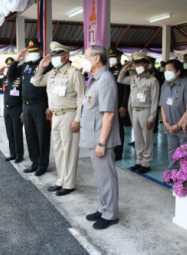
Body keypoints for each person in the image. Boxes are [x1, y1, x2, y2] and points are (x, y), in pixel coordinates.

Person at [34, 41, 85, 196]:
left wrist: (78, 119)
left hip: (69, 115)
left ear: (66, 56)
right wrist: (42, 66)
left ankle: (69, 184)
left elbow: (81, 98)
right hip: (55, 116)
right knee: (58, 150)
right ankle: (60, 180)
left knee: (69, 151)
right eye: (53, 55)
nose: (54, 58)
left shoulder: (74, 74)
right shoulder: (53, 73)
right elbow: (37, 82)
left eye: (57, 55)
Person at [80, 45, 120, 230]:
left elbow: (109, 114)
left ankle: (110, 214)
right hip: (94, 137)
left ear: (97, 58)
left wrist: (102, 142)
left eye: (86, 56)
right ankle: (103, 207)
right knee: (100, 176)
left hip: (101, 139)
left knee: (107, 177)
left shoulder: (105, 80)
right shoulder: (95, 79)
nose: (84, 59)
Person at [7, 39, 52, 176]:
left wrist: (50, 106)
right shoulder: (25, 66)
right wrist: (16, 60)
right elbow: (10, 75)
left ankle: (42, 164)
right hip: (26, 106)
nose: (32, 54)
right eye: (30, 52)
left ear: (39, 51)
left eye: (34, 51)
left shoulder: (47, 66)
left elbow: (51, 86)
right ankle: (35, 162)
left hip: (40, 105)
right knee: (30, 135)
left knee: (42, 135)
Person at [118, 52, 160, 174]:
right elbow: (120, 79)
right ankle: (139, 161)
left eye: (139, 63)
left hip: (146, 111)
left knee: (147, 138)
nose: (137, 65)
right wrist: (124, 68)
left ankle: (146, 163)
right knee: (137, 137)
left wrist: (152, 118)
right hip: (134, 111)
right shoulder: (133, 78)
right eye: (135, 63)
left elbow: (155, 101)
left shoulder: (153, 81)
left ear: (146, 65)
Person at [0, 57, 24, 163]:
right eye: (7, 67)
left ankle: (19, 155)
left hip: (17, 108)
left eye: (11, 67)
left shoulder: (20, 79)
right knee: (10, 132)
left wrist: (23, 111)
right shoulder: (4, 79)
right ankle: (12, 153)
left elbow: (24, 95)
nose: (9, 69)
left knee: (17, 132)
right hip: (7, 109)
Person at [159, 59, 187, 169]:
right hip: (169, 127)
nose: (166, 72)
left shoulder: (186, 84)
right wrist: (165, 122)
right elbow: (162, 105)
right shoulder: (164, 85)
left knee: (185, 154)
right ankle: (173, 174)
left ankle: (184, 179)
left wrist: (178, 125)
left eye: (170, 70)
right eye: (165, 69)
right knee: (172, 152)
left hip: (183, 128)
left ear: (178, 72)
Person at [109, 46, 130, 160]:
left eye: (113, 57)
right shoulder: (109, 69)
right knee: (110, 128)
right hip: (109, 104)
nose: (111, 59)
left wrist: (124, 106)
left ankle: (118, 153)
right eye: (110, 57)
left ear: (119, 57)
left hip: (119, 104)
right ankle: (111, 150)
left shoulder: (123, 70)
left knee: (118, 129)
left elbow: (126, 90)